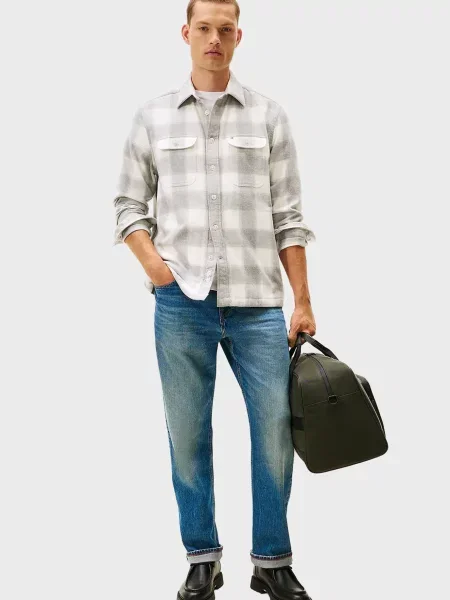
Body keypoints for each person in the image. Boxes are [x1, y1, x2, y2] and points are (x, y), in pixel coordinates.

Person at [112, 1, 317, 598]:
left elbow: (290, 217)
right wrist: (158, 271)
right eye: (203, 28)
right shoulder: (152, 116)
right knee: (188, 435)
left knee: (276, 432)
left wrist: (302, 301)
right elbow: (128, 206)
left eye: (225, 30)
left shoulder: (269, 115)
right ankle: (202, 557)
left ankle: (271, 561)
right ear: (186, 33)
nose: (214, 39)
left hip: (258, 304)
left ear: (238, 37)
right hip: (182, 303)